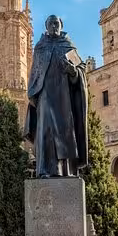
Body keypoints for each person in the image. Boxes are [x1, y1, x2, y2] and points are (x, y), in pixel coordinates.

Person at [24, 15, 88, 178]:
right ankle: (44, 169)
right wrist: (34, 93)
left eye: (56, 23)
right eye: (50, 24)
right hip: (44, 94)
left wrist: (73, 71)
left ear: (61, 24)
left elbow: (81, 68)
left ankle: (66, 170)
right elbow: (35, 73)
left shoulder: (68, 45)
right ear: (46, 26)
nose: (53, 26)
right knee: (45, 131)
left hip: (64, 95)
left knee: (65, 132)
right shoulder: (40, 47)